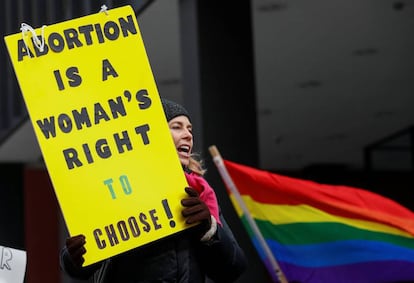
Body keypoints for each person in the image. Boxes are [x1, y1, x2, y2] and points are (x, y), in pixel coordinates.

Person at [60, 98, 248, 283]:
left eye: (189, 129)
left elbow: (232, 269)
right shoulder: (120, 189)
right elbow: (80, 267)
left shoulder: (198, 194)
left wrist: (210, 231)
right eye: (177, 127)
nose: (188, 135)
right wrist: (74, 256)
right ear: (151, 134)